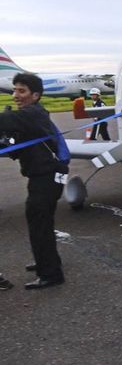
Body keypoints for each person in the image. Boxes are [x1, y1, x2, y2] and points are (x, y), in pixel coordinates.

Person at [0, 73, 68, 290]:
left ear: (35, 95)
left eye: (22, 91)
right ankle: (46, 262)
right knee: (43, 221)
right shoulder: (30, 116)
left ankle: (51, 274)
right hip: (44, 175)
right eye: (15, 90)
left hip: (47, 177)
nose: (16, 95)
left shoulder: (33, 114)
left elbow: (5, 121)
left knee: (39, 221)